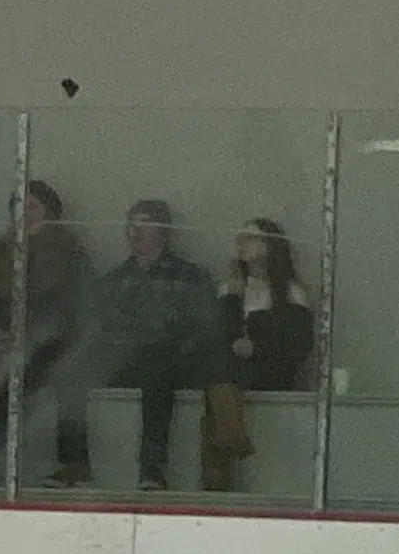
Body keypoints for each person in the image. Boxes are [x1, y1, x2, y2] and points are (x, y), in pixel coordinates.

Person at [0, 180, 95, 487]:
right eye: (18, 206)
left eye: (33, 206)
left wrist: (30, 334)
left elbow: (78, 309)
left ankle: (72, 465)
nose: (25, 213)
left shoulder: (71, 254)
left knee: (65, 373)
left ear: (49, 212)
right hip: (1, 343)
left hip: (51, 344)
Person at [97, 199, 228, 491]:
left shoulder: (191, 276)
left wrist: (167, 338)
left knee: (156, 364)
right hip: (126, 361)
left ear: (164, 231)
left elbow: (205, 327)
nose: (136, 231)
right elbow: (102, 327)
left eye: (145, 223)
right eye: (131, 224)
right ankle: (74, 465)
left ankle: (152, 465)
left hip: (174, 363)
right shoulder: (114, 281)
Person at [222, 219, 314, 392]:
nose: (243, 243)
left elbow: (297, 345)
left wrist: (257, 349)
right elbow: (217, 336)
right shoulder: (230, 289)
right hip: (231, 386)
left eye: (251, 238)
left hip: (274, 385)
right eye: (240, 238)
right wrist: (233, 298)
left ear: (270, 244)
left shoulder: (291, 293)